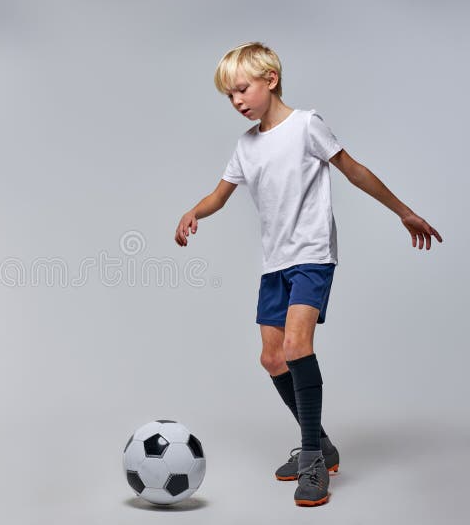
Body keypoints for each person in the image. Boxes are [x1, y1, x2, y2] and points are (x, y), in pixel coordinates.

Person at [174, 42, 442, 506]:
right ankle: (322, 439)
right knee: (272, 359)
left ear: (270, 79)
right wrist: (194, 211)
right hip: (274, 263)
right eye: (229, 96)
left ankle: (313, 458)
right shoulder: (246, 145)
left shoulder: (306, 126)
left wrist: (404, 211)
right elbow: (220, 195)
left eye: (242, 89)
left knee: (298, 346)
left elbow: (353, 170)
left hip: (313, 255)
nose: (237, 101)